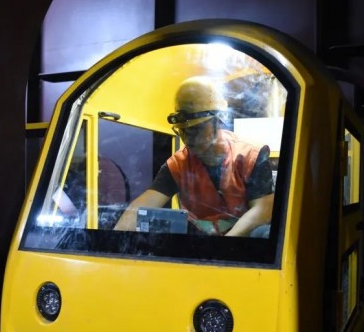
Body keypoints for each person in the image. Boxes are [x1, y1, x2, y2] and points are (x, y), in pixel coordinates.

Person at [114, 76, 274, 237]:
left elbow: (263, 209)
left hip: (244, 240)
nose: (187, 138)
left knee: (263, 233)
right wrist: (115, 240)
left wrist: (226, 242)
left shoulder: (250, 156)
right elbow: (140, 208)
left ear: (217, 121)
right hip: (199, 240)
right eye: (182, 131)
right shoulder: (178, 164)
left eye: (195, 129)